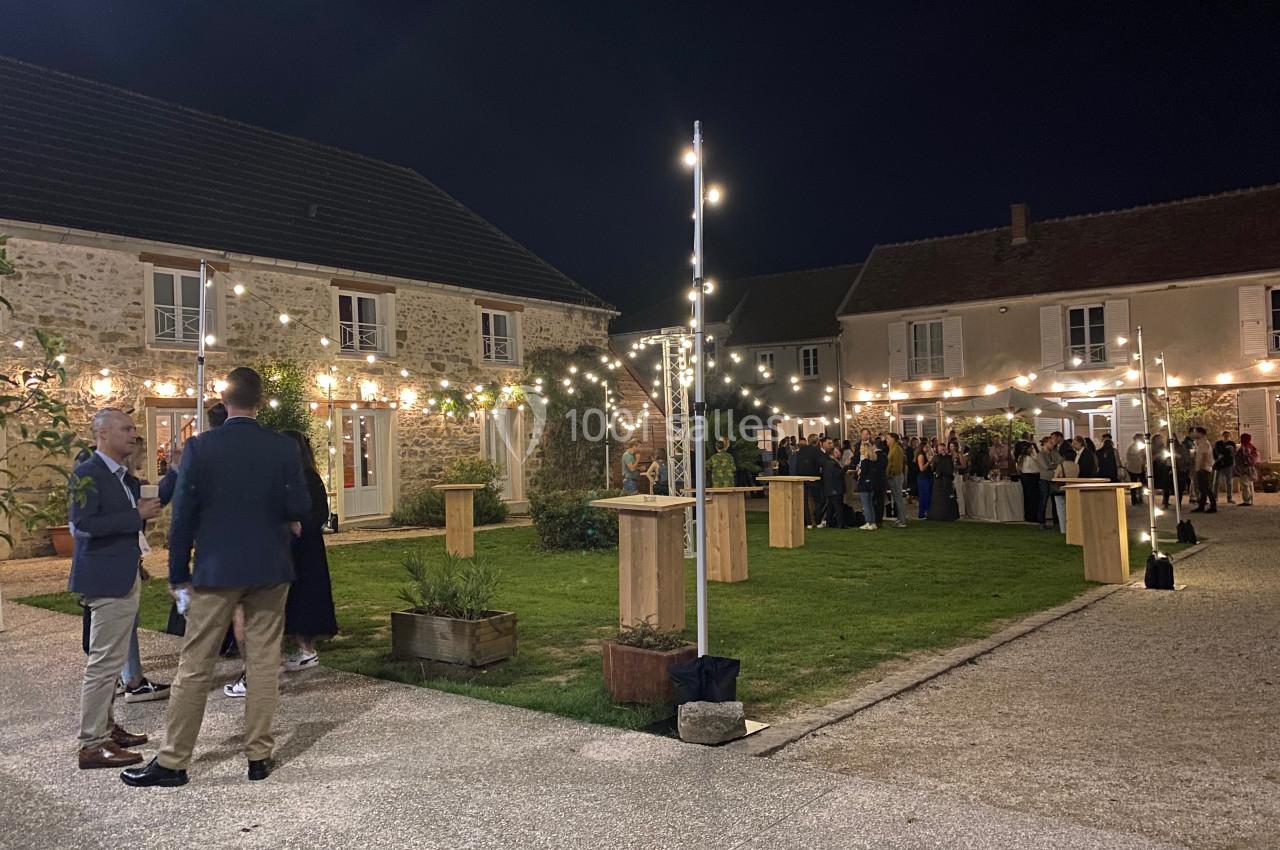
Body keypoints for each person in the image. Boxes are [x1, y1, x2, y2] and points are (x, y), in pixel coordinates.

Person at [122, 367, 311, 788]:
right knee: (263, 661)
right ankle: (258, 755)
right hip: (269, 567)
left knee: (195, 663)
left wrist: (177, 573)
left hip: (216, 569)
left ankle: (174, 761)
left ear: (225, 403)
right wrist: (287, 519)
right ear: (261, 402)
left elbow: (183, 515)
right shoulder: (282, 448)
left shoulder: (201, 447)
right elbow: (300, 502)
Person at [69, 409, 163, 770]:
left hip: (123, 574)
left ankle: (107, 728)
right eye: (126, 429)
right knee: (104, 662)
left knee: (111, 658)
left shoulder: (125, 478)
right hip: (104, 579)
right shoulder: (86, 474)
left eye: (134, 429)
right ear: (102, 433)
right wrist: (134, 515)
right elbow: (83, 524)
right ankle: (92, 743)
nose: (134, 435)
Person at [281, 430, 338, 671]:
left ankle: (307, 648)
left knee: (305, 595)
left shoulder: (308, 478)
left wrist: (299, 524)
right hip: (292, 546)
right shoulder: (292, 477)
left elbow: (318, 514)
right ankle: (299, 645)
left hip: (306, 547)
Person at [1051, 445, 1081, 534]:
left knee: (1061, 509)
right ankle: (1073, 527)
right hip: (1073, 488)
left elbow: (1055, 477)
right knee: (1072, 509)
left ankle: (1063, 529)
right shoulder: (1076, 466)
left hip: (1061, 489)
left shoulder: (1061, 465)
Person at [795, 434, 823, 527]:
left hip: (802, 477)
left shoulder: (801, 451)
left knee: (805, 501)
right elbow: (821, 463)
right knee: (817, 500)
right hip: (814, 478)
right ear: (818, 441)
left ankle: (808, 522)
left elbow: (798, 463)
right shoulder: (816, 451)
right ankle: (818, 521)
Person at [927, 442, 959, 521]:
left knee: (948, 497)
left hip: (947, 480)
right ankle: (937, 515)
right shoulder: (936, 457)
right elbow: (933, 468)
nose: (942, 450)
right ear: (937, 449)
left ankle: (949, 515)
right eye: (940, 448)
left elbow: (951, 468)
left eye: (943, 448)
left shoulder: (949, 457)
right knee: (938, 498)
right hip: (939, 481)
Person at [1033, 437, 1058, 529]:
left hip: (1054, 479)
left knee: (1055, 501)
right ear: (1045, 443)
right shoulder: (1040, 455)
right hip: (1044, 479)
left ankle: (1056, 521)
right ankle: (1041, 522)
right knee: (1043, 501)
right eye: (1051, 443)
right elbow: (1046, 466)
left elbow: (1060, 461)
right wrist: (1055, 465)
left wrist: (1054, 464)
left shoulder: (1053, 453)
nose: (1053, 445)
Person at [884, 433, 908, 528]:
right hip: (893, 476)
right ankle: (900, 518)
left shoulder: (896, 450)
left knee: (898, 498)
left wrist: (889, 474)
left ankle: (902, 520)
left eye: (888, 438)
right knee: (896, 497)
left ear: (893, 439)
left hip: (895, 476)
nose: (886, 440)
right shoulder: (893, 449)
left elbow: (896, 465)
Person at [820, 444, 846, 529]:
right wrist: (845, 467)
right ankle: (840, 524)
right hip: (835, 488)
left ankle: (829, 522)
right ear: (832, 454)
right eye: (836, 451)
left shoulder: (829, 463)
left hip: (830, 488)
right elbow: (837, 474)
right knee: (838, 506)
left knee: (831, 506)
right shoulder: (832, 463)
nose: (838, 453)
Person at [1191, 427, 1216, 513]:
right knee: (1203, 488)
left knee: (1206, 488)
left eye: (1195, 432)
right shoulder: (1200, 443)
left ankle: (1213, 506)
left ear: (1200, 433)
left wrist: (1201, 467)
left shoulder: (1204, 443)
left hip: (1204, 468)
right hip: (1202, 467)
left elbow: (1204, 456)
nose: (1194, 434)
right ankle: (1202, 505)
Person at [855, 442, 879, 530]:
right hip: (871, 484)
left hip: (864, 485)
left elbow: (862, 473)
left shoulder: (864, 461)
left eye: (861, 448)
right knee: (870, 504)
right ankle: (872, 522)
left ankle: (868, 522)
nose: (860, 450)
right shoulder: (873, 461)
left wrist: (858, 471)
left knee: (866, 505)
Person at [1016, 438, 1040, 522]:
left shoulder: (1022, 458)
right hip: (1031, 477)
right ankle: (1032, 516)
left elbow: (1018, 468)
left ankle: (1030, 515)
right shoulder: (1029, 458)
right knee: (1032, 497)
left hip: (1027, 477)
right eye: (1031, 448)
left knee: (1029, 497)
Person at [1234, 432, 1259, 506]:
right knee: (1250, 484)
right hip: (1250, 468)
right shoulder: (1251, 446)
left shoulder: (1244, 448)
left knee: (1245, 484)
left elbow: (1245, 458)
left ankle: (1246, 501)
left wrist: (1240, 465)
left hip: (1244, 468)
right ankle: (1251, 500)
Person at [1213, 431, 1237, 505]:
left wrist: (1224, 452)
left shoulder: (1232, 444)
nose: (1226, 437)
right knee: (1216, 482)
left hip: (1228, 465)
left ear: (1230, 437)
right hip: (1219, 465)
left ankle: (1229, 498)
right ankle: (1215, 497)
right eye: (1225, 436)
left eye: (1228, 436)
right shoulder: (1218, 443)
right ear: (1222, 436)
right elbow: (1217, 452)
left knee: (1229, 482)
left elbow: (1233, 454)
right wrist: (1227, 450)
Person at [1125, 433, 1147, 505]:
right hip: (1134, 468)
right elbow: (1138, 457)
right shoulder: (1134, 447)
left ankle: (1139, 498)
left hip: (1139, 468)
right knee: (1135, 484)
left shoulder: (1138, 446)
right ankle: (1134, 499)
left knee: (1140, 484)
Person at [915, 442, 933, 518]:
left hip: (928, 476)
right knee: (924, 495)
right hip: (923, 478)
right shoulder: (921, 455)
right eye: (926, 447)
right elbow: (921, 468)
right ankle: (922, 513)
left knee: (928, 495)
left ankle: (927, 511)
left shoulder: (925, 455)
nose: (928, 449)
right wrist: (929, 462)